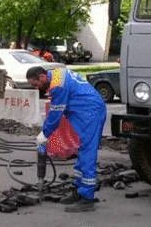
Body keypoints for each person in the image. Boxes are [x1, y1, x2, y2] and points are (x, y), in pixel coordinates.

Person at [26, 66, 106, 213]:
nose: (36, 88)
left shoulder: (57, 85)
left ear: (42, 77)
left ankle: (87, 199)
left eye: (35, 84)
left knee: (88, 153)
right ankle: (78, 190)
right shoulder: (56, 75)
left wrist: (44, 134)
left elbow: (56, 113)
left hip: (91, 113)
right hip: (87, 111)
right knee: (83, 151)